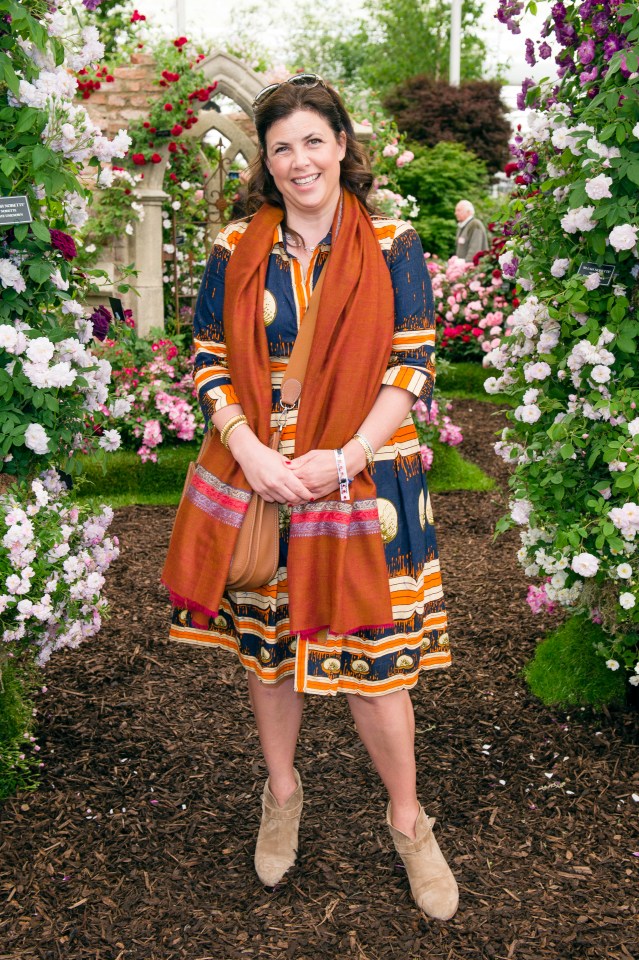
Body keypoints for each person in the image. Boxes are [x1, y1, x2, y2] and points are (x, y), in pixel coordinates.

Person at [162, 74, 458, 922]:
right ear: (265, 159)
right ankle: (282, 794)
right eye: (281, 146)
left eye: (312, 141)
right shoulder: (234, 246)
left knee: (376, 667)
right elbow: (209, 355)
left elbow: (412, 359)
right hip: (266, 479)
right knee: (268, 652)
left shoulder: (392, 240)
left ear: (341, 145)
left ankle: (409, 822)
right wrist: (249, 449)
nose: (299, 161)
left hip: (365, 478)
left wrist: (347, 455)